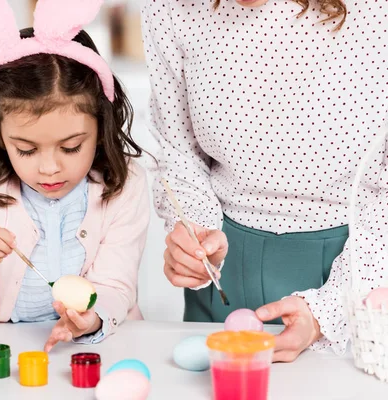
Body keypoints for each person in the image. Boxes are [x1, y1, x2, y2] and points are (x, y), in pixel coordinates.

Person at [142, 0, 387, 361]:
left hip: (360, 270)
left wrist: (329, 309)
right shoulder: (170, 9)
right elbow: (179, 151)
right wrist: (196, 237)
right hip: (224, 271)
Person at [0, 0, 150, 352]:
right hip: (8, 350)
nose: (49, 169)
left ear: (101, 127)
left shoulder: (124, 184)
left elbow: (116, 285)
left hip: (102, 346)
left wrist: (92, 319)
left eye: (71, 147)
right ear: (0, 137)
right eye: (27, 150)